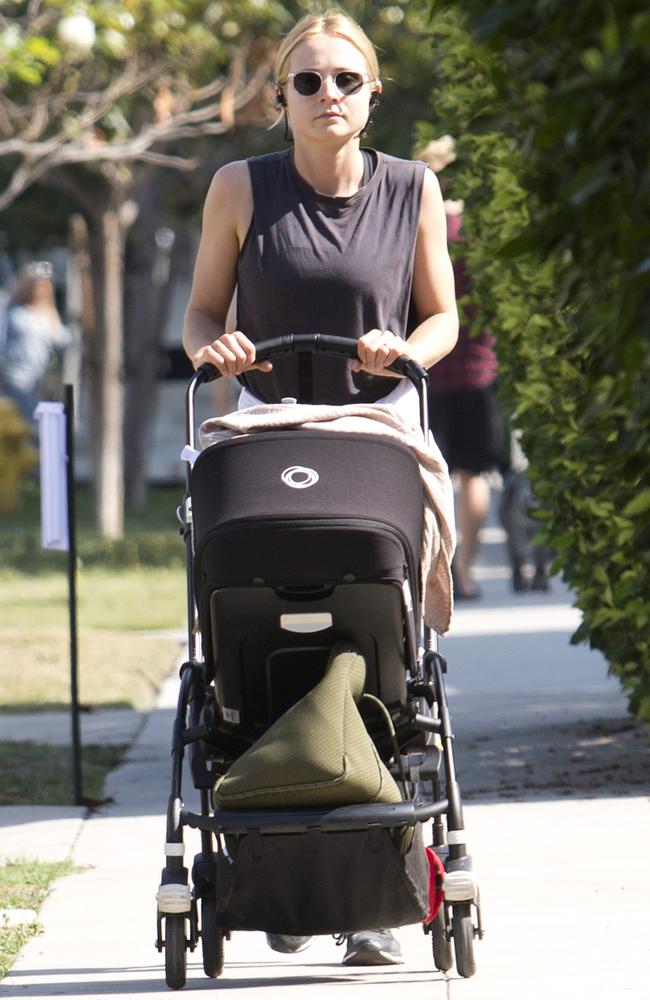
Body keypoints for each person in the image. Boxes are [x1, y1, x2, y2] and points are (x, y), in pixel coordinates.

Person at [183, 9, 458, 966]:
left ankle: (372, 892)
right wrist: (212, 347)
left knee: (379, 635)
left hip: (371, 432)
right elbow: (200, 312)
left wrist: (402, 353)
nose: (327, 95)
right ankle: (265, 848)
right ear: (281, 98)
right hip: (266, 435)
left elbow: (443, 318)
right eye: (308, 82)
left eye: (346, 80)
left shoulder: (411, 188)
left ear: (373, 93)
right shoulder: (238, 188)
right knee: (247, 613)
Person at [416, 137, 503, 600]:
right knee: (473, 474)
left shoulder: (416, 220)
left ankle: (435, 573)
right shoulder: (480, 229)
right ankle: (464, 571)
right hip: (477, 369)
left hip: (424, 367)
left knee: (429, 473)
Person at [0, 261, 70, 426]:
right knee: (28, 424)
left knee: (39, 425)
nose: (40, 287)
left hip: (41, 380)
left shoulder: (48, 312)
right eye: (36, 282)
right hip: (16, 377)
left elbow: (61, 340)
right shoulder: (13, 309)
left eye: (44, 283)